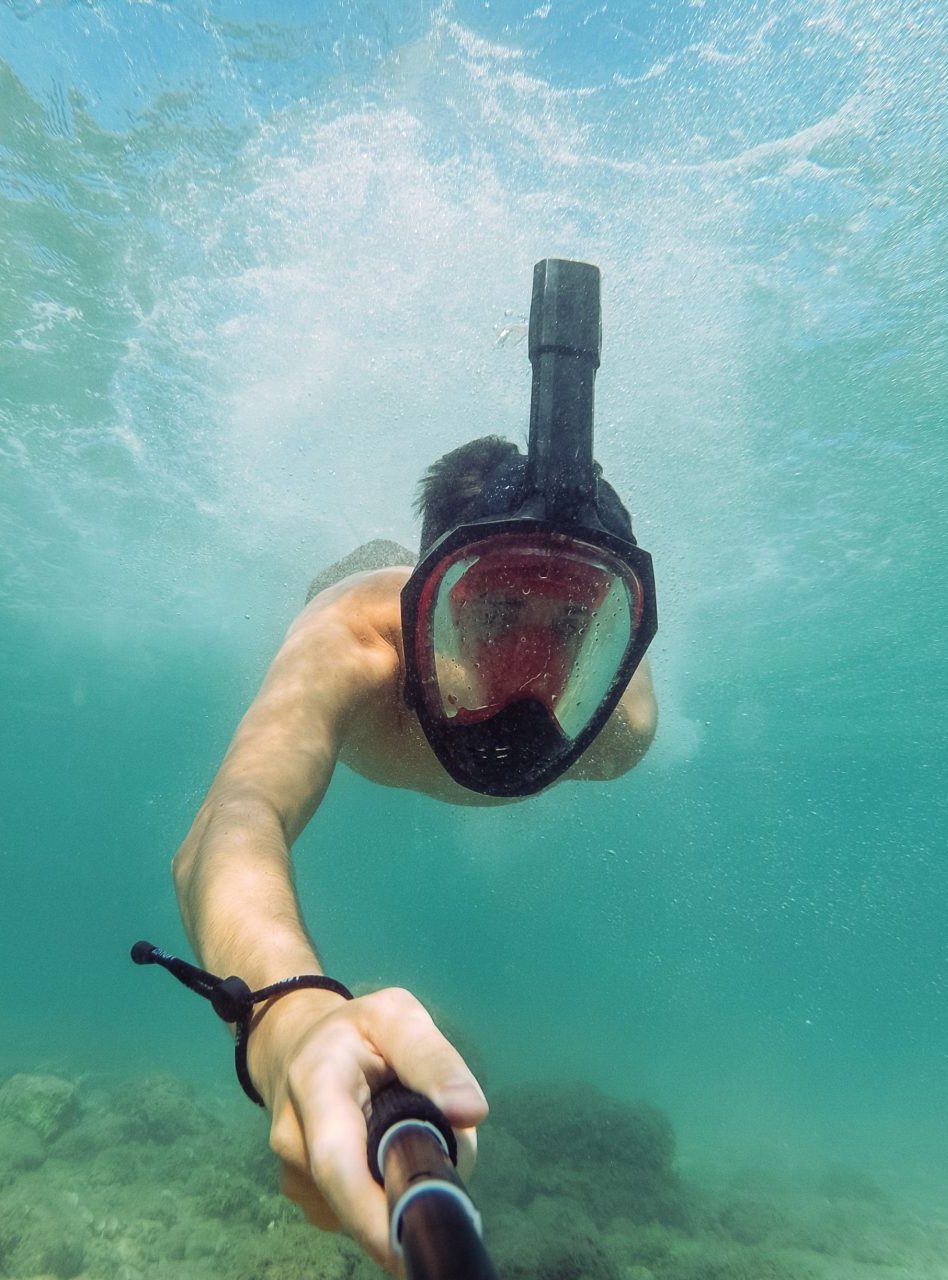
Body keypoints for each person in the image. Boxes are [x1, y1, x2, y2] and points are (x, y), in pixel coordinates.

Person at [166, 261, 657, 1274]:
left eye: (570, 616)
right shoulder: (359, 650)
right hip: (356, 588)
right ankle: (388, 555)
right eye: (491, 608)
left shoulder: (618, 718)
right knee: (348, 575)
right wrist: (290, 1015)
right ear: (436, 603)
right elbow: (230, 823)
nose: (534, 663)